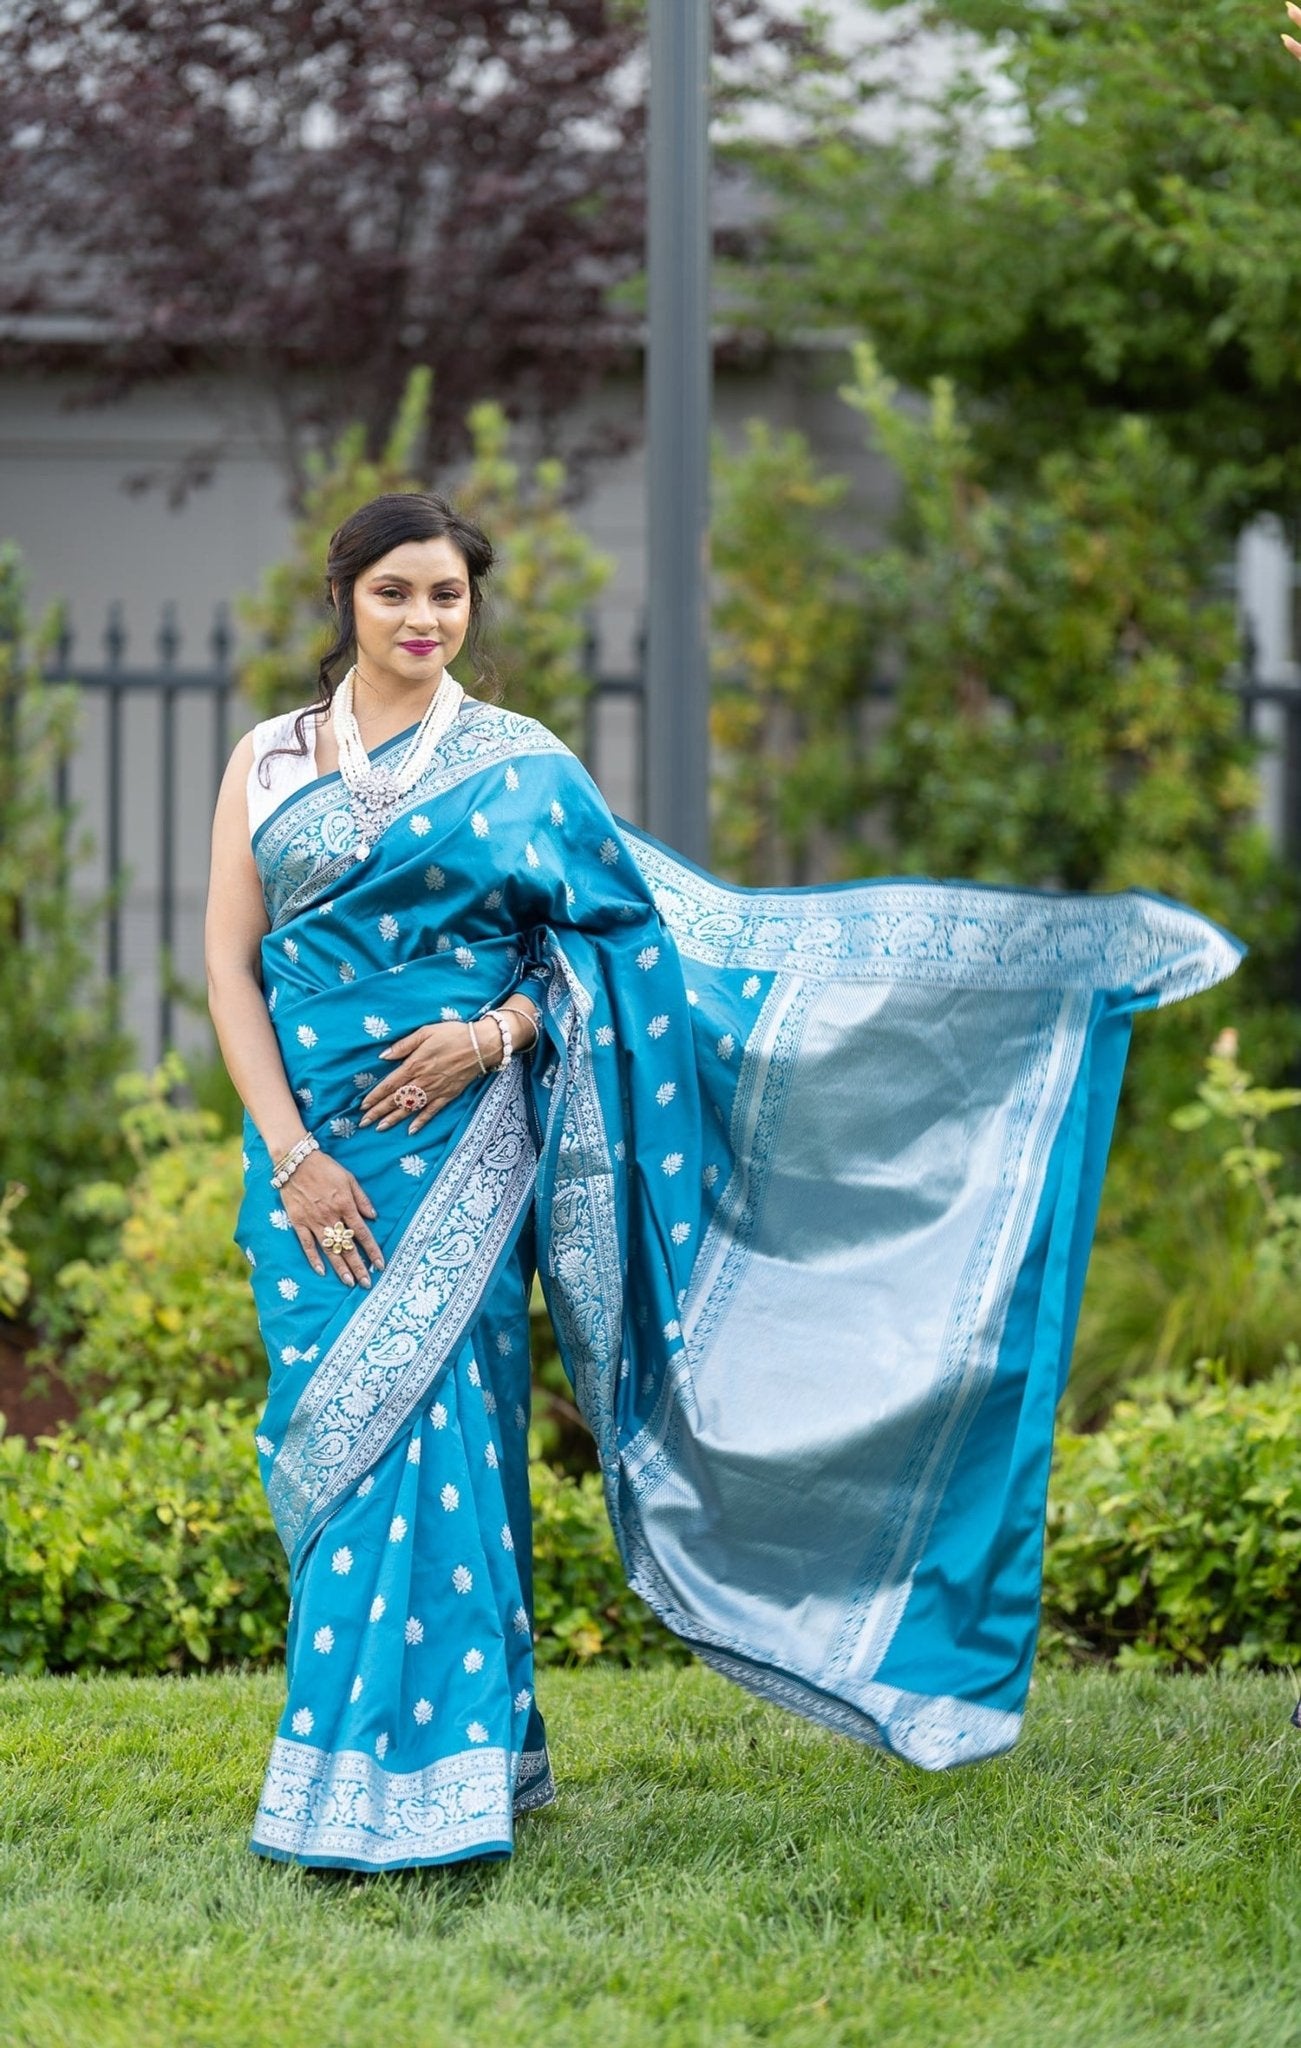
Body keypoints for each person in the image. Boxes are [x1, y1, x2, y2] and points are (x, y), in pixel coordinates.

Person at [205, 490, 1241, 1872]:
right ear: (345, 597)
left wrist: (493, 1034)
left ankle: (434, 1785)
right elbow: (230, 965)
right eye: (395, 592)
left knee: (443, 1443)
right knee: (336, 1447)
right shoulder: (267, 762)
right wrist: (295, 1154)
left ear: (471, 607)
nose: (421, 620)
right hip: (309, 1160)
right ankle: (396, 1763)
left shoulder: (519, 767)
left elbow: (612, 950)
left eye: (446, 596)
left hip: (459, 1154)